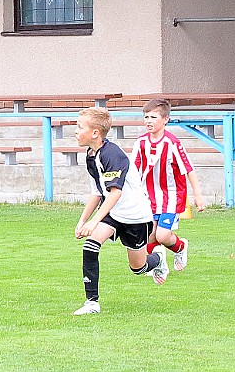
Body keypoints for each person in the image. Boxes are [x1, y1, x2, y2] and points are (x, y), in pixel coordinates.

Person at [72, 107, 168, 315]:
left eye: (80, 127)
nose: (75, 131)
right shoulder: (91, 155)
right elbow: (97, 191)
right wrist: (82, 221)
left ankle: (158, 258)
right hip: (112, 213)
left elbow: (115, 193)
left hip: (135, 216)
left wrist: (94, 221)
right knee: (90, 246)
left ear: (95, 133)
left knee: (138, 268)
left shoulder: (112, 154)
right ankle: (92, 303)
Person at [131, 99, 206, 284]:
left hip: (171, 195)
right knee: (149, 234)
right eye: (146, 117)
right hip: (147, 196)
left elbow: (188, 169)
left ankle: (180, 247)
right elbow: (132, 170)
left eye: (153, 117)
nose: (148, 121)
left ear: (165, 120)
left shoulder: (172, 143)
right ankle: (159, 264)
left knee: (162, 235)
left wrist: (197, 195)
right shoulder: (140, 143)